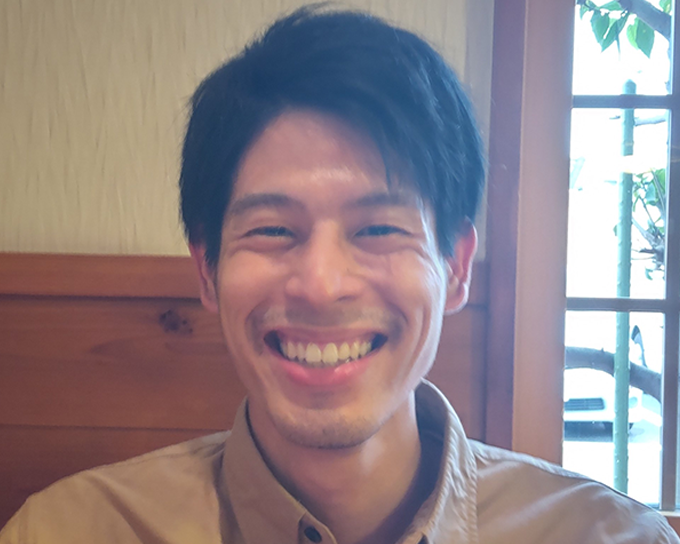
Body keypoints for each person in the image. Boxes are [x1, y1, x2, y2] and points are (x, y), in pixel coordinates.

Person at [1, 6, 678, 544]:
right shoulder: (70, 531)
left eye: (378, 229)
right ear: (206, 271)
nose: (322, 285)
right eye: (273, 231)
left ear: (455, 266)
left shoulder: (606, 536)